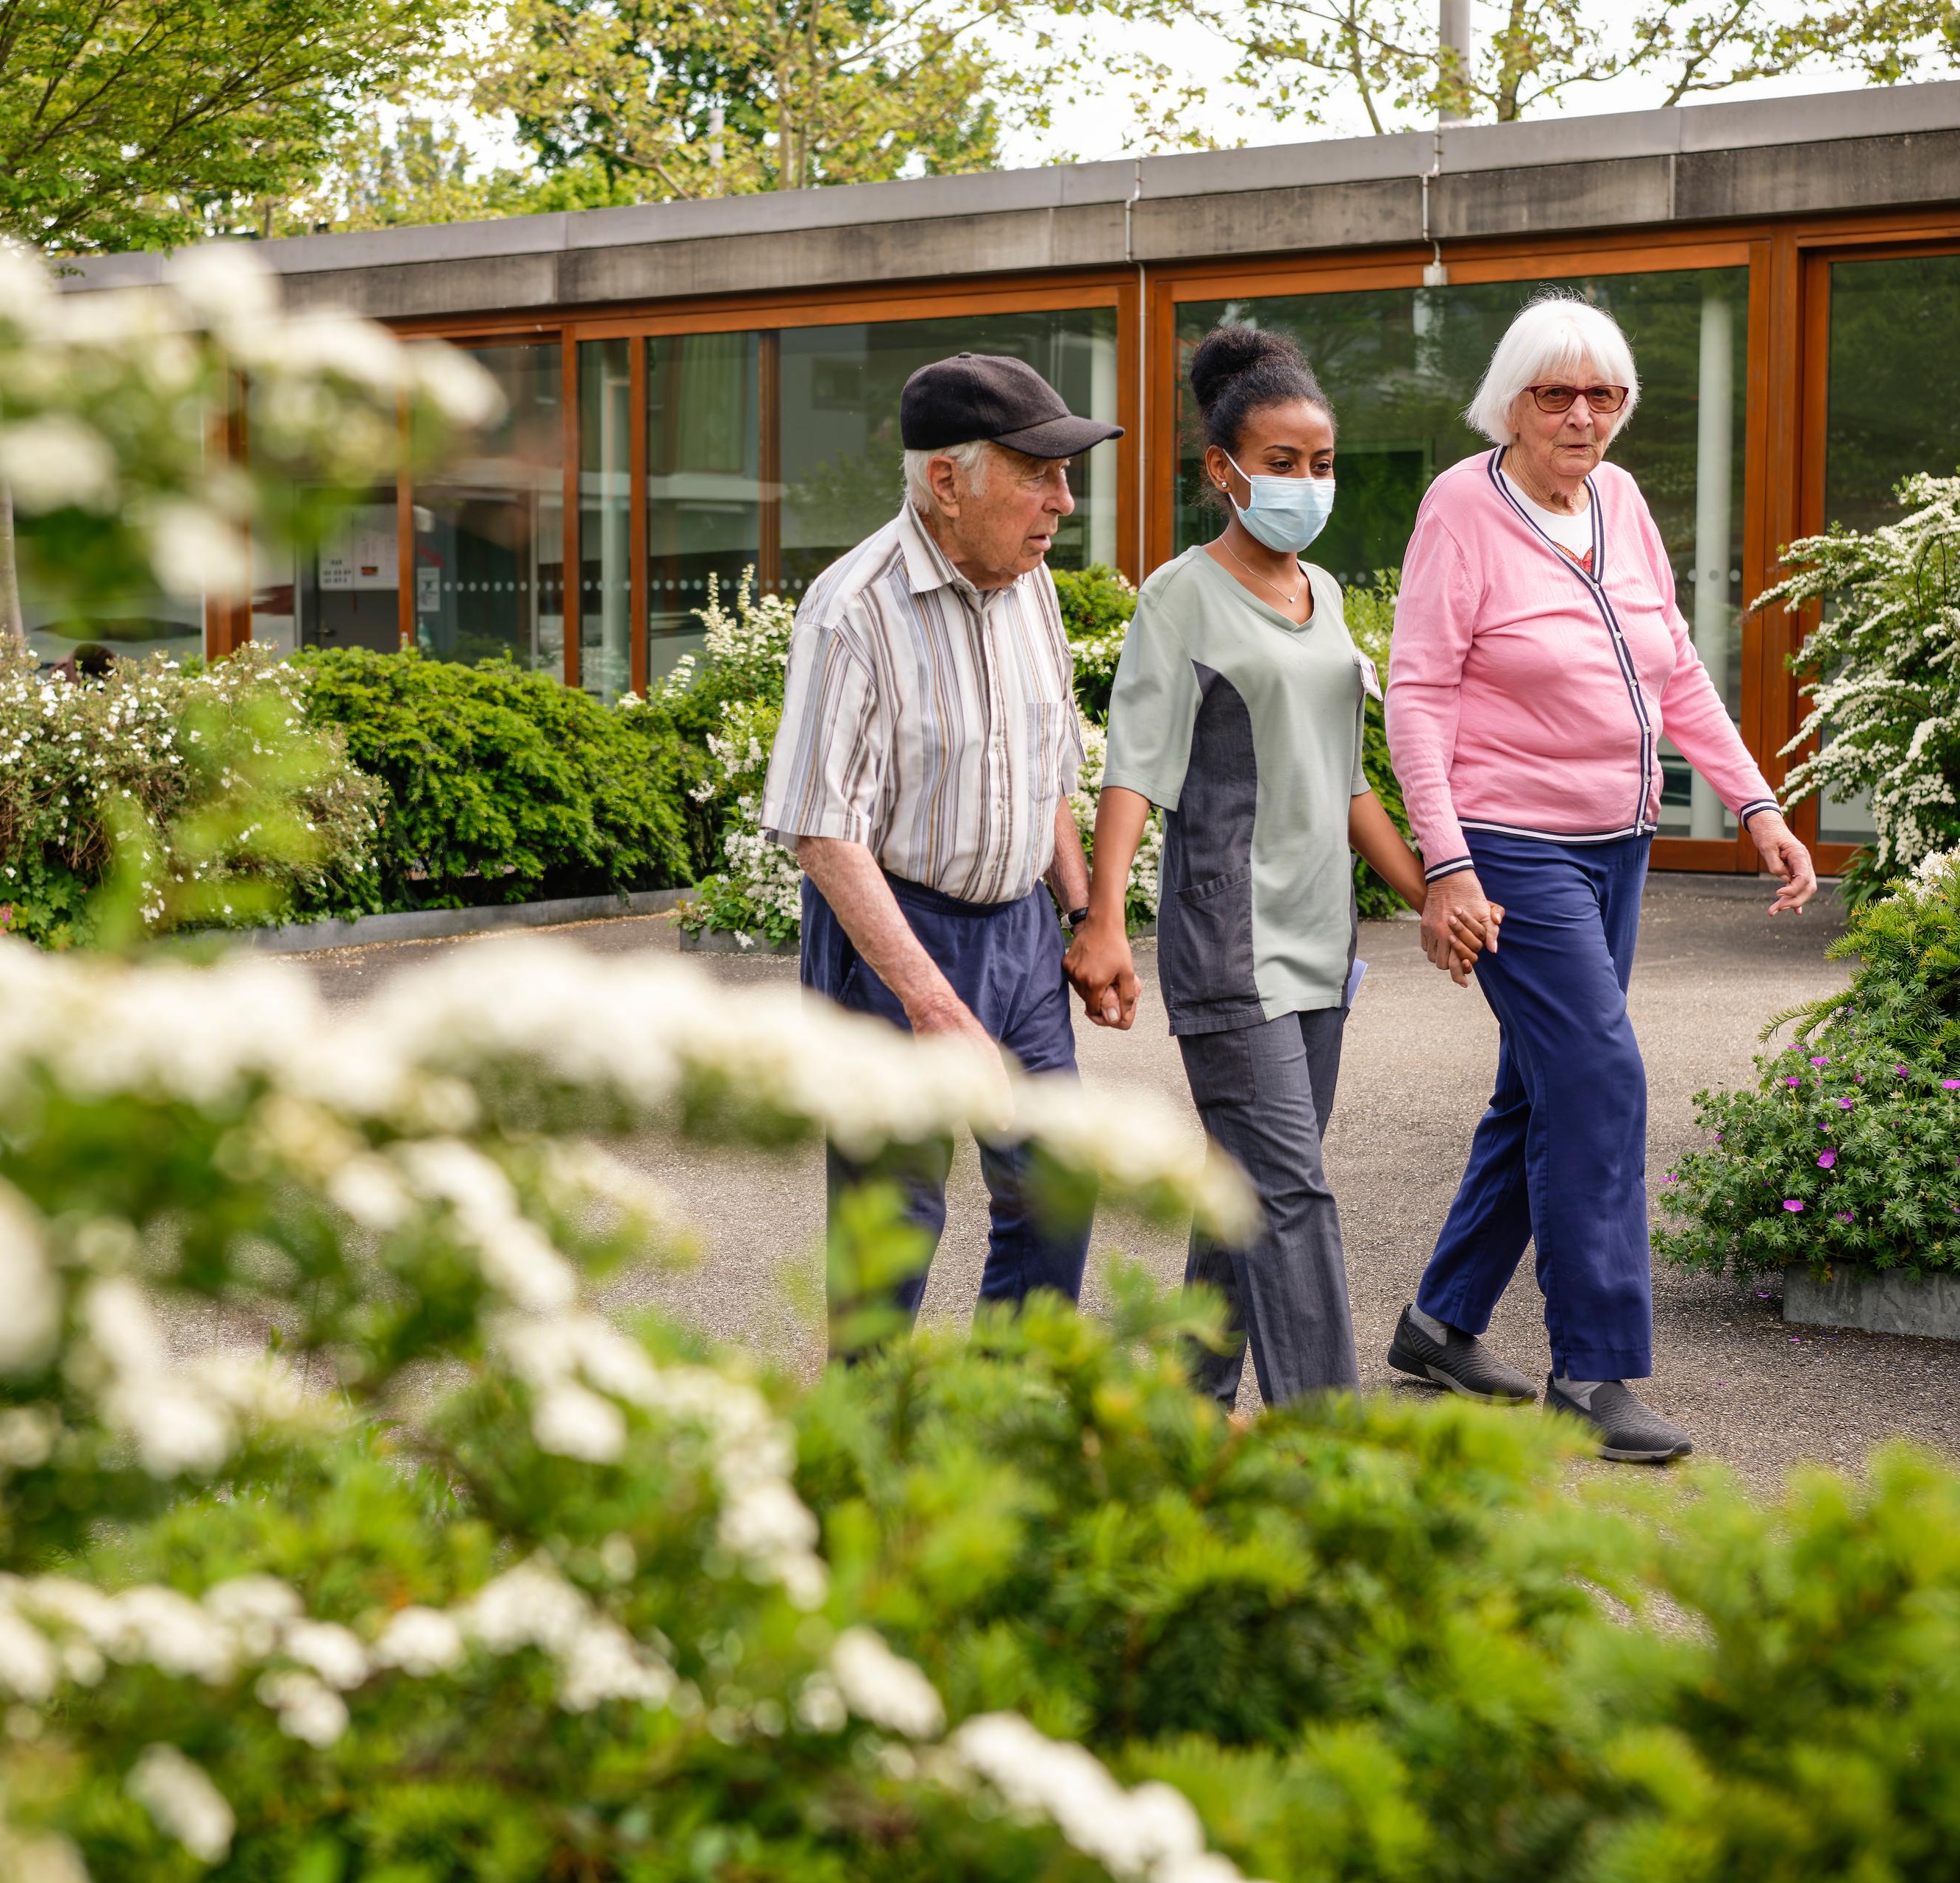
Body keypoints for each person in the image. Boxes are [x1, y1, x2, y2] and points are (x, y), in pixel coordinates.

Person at [1382, 293, 1819, 1463]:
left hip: (1615, 839)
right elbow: (1416, 692)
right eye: (1557, 394)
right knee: (1603, 1079)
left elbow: (1674, 668)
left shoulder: (1619, 501)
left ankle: (1439, 1324)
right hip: (1509, 844)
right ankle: (1595, 1369)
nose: (1584, 417)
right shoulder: (1461, 511)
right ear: (1510, 403)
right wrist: (1448, 863)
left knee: (1545, 1089)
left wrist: (1759, 802)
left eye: (1605, 396)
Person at [1065, 328, 1495, 1409]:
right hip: (1229, 947)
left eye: (1322, 463)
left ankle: (1183, 1410)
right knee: (1294, 1193)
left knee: (1244, 1192)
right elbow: (1137, 773)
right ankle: (1326, 1450)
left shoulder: (1329, 594)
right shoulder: (1181, 596)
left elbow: (1346, 781)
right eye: (1282, 463)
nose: (1306, 483)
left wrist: (1433, 888)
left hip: (1320, 944)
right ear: (1224, 470)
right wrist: (1105, 919)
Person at [761, 352, 1123, 1353]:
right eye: (1037, 472)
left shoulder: (1030, 580)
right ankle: (867, 1474)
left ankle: (999, 1428)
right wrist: (929, 1002)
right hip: (891, 943)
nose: (1063, 498)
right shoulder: (853, 609)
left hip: (1018, 931)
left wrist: (1089, 912)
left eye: (1065, 473)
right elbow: (819, 826)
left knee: (1054, 1188)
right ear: (947, 481)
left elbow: (1046, 764)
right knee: (895, 1231)